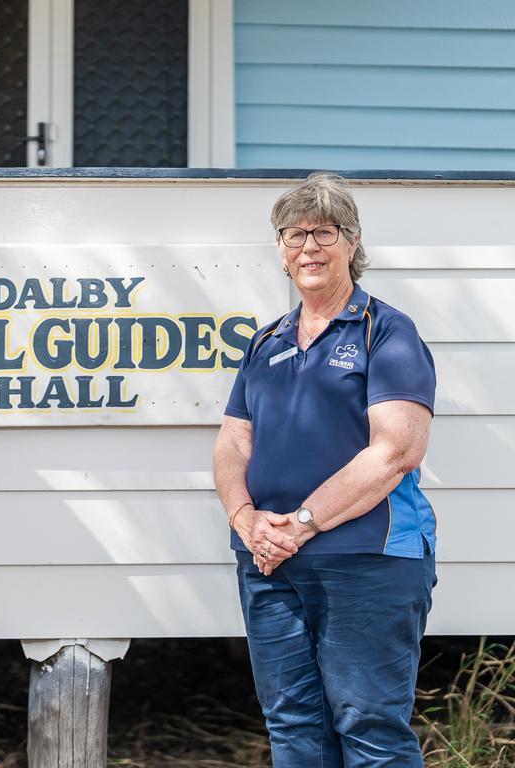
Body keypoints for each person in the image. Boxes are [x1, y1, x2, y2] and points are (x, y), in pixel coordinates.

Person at [213, 172, 437, 767]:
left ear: (352, 242)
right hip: (269, 564)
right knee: (293, 727)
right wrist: (246, 522)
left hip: (368, 559)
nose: (308, 247)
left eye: (324, 232)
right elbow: (232, 446)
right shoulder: (265, 342)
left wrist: (300, 525)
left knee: (368, 727)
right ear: (281, 250)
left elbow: (395, 452)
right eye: (293, 234)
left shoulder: (387, 332)